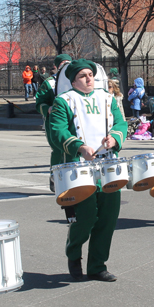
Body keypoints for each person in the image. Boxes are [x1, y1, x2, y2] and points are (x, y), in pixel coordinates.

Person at [49, 59, 127, 282]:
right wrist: (79, 147)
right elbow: (58, 131)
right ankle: (74, 254)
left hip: (108, 164)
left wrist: (115, 138)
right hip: (79, 166)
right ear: (73, 81)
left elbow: (121, 123)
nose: (89, 78)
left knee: (108, 217)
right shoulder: (63, 101)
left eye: (90, 75)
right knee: (85, 217)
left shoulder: (107, 98)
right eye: (83, 76)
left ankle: (97, 265)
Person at [35, 54, 73, 189]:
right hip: (55, 122)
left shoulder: (76, 80)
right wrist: (48, 109)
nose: (66, 65)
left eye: (68, 62)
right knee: (59, 150)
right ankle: (55, 178)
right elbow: (39, 102)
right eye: (63, 63)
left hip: (74, 121)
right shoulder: (49, 83)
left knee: (74, 149)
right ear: (57, 66)